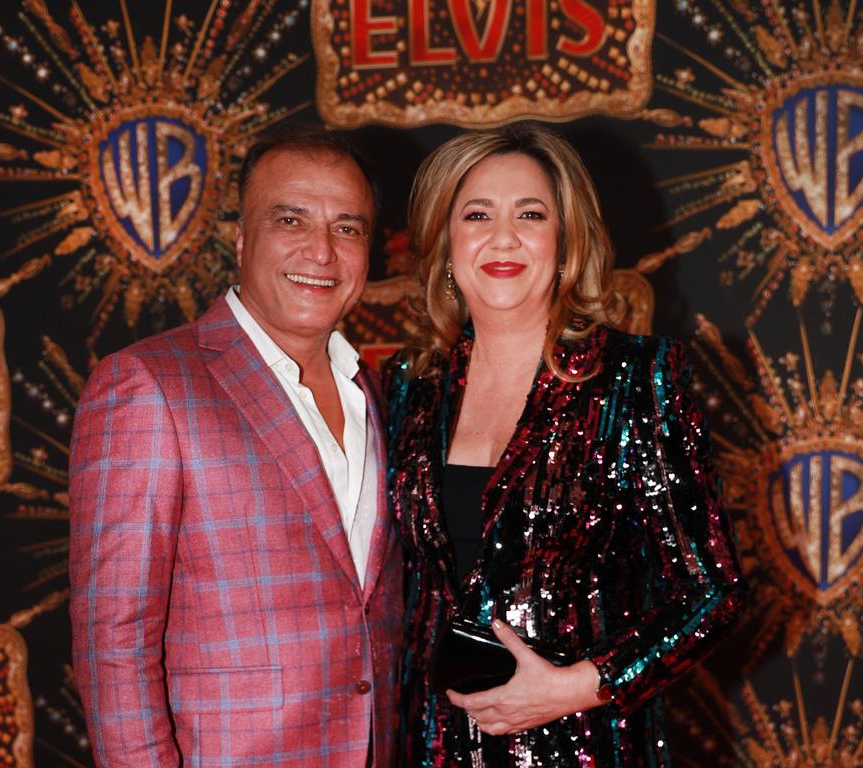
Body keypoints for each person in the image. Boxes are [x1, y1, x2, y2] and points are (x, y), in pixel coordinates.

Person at [384, 123, 746, 766]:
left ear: (566, 239)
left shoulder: (636, 379)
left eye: (530, 214)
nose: (503, 238)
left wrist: (576, 687)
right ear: (444, 245)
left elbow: (712, 591)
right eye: (476, 215)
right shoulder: (409, 390)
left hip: (583, 746)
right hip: (432, 746)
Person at [69, 126, 402, 768]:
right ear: (242, 238)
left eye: (348, 228)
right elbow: (114, 644)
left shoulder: (377, 393)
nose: (323, 251)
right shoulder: (149, 384)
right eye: (291, 219)